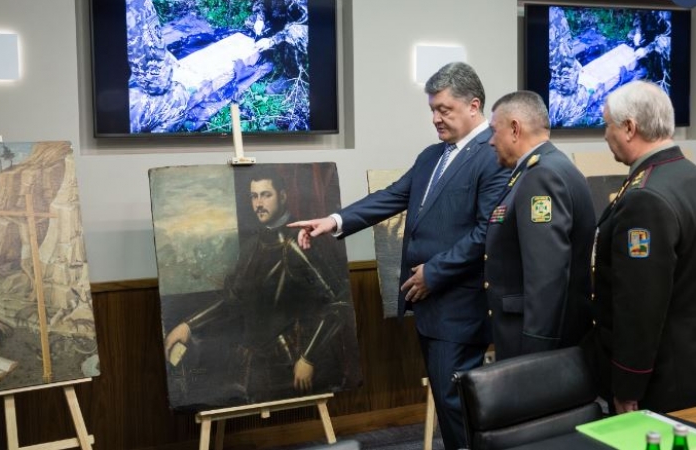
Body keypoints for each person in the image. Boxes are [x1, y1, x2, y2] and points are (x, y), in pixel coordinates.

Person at [288, 62, 510, 449]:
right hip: (430, 307)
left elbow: (486, 233)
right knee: (448, 400)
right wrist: (334, 221)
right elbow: (392, 197)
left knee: (458, 405)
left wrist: (433, 273)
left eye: (444, 109)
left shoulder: (492, 156)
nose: (435, 118)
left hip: (460, 306)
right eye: (433, 110)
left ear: (474, 106)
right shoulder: (432, 156)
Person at [163, 167, 356, 404]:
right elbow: (233, 300)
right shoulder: (252, 246)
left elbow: (339, 301)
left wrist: (308, 357)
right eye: (254, 196)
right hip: (257, 363)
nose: (259, 203)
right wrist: (188, 325)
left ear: (282, 196)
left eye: (266, 195)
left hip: (292, 363)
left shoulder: (298, 243)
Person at [584, 80, 696, 414]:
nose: (605, 135)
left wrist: (627, 386)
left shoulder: (644, 198)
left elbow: (639, 304)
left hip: (659, 381)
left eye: (608, 125)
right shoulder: (686, 176)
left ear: (630, 128)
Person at [485, 91, 596, 361]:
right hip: (550, 336)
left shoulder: (541, 176)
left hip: (534, 341)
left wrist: (536, 354)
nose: (490, 141)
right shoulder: (557, 166)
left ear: (515, 129)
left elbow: (546, 275)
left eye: (494, 131)